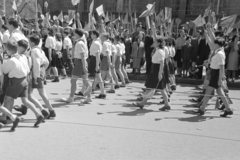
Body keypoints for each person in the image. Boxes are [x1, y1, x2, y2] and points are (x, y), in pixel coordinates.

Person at [1, 41, 44, 130]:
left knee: (7, 99)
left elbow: (5, 71)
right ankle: (38, 114)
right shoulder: (23, 57)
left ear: (9, 50)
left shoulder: (11, 60)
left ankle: (4, 117)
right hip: (24, 80)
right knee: (25, 100)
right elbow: (28, 70)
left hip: (15, 81)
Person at [194, 27, 233, 117]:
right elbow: (212, 41)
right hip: (214, 73)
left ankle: (202, 109)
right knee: (220, 93)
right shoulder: (217, 50)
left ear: (218, 45)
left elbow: (222, 68)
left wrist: (220, 79)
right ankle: (228, 109)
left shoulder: (220, 54)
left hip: (216, 74)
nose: (212, 44)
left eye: (215, 43)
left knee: (208, 92)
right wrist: (208, 32)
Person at [61, 29, 92, 105]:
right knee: (85, 80)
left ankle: (71, 97)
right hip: (80, 62)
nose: (73, 35)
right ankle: (89, 97)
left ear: (78, 34)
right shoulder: (80, 42)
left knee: (73, 80)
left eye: (74, 34)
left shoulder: (80, 43)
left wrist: (84, 66)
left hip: (80, 62)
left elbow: (82, 56)